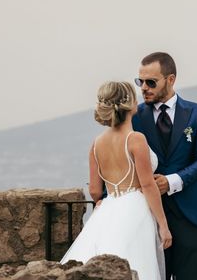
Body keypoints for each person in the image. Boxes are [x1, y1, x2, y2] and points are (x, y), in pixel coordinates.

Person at [61, 81, 172, 280]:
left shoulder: (97, 143)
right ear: (129, 103)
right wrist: (163, 225)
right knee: (136, 262)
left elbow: (95, 190)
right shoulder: (135, 139)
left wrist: (102, 202)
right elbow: (147, 185)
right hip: (135, 209)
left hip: (108, 208)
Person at [133, 52, 197, 280]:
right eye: (140, 82)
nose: (144, 88)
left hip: (189, 213)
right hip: (147, 215)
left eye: (151, 82)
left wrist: (171, 181)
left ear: (170, 80)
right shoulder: (134, 116)